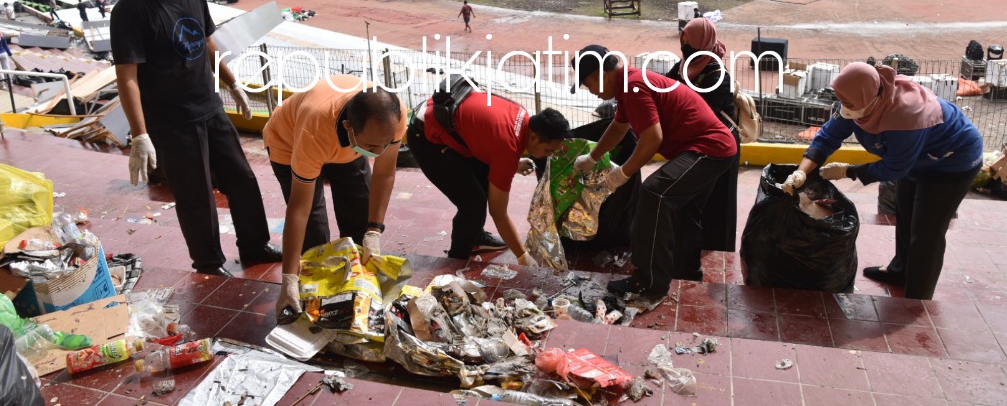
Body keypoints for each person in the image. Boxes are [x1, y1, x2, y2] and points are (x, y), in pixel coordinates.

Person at [110, 0, 281, 277]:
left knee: (243, 181)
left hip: (209, 106)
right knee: (196, 196)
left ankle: (254, 245)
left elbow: (206, 42)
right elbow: (127, 78)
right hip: (171, 121)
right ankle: (208, 262)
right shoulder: (131, 10)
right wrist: (140, 134)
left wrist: (232, 84)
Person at [781, 62, 982, 300]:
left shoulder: (905, 114)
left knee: (927, 232)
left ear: (870, 99)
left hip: (952, 161)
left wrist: (849, 171)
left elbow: (894, 167)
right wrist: (802, 171)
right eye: (840, 100)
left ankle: (917, 297)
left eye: (848, 103)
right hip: (918, 159)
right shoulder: (858, 101)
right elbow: (828, 136)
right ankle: (900, 271)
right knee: (905, 216)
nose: (844, 107)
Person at [571, 45, 737, 295]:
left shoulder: (633, 86)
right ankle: (686, 274)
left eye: (588, 84)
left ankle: (649, 280)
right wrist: (592, 158)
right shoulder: (629, 84)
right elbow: (619, 127)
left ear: (599, 75)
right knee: (684, 209)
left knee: (653, 194)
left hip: (708, 148)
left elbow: (652, 138)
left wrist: (623, 174)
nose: (591, 92)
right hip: (711, 147)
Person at [264, 76, 406, 318]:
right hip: (290, 142)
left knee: (360, 224)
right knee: (315, 237)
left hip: (347, 146)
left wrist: (374, 229)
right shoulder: (314, 127)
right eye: (372, 147)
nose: (378, 153)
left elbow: (384, 174)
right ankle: (312, 302)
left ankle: (355, 294)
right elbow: (300, 209)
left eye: (386, 144)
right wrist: (288, 278)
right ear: (349, 128)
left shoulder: (393, 114)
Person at [408, 83, 568, 264]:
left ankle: (476, 235)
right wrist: (522, 255)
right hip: (427, 137)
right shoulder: (506, 150)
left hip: (446, 118)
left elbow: (489, 139)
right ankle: (455, 261)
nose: (548, 156)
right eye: (548, 150)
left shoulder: (522, 115)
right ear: (533, 137)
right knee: (472, 204)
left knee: (484, 180)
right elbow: (499, 213)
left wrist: (512, 163)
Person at [664, 18, 741, 252]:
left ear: (703, 41)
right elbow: (665, 86)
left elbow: (698, 110)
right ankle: (690, 247)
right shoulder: (683, 65)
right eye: (683, 40)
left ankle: (717, 250)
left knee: (719, 202)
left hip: (721, 145)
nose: (684, 45)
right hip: (696, 142)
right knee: (692, 200)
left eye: (689, 41)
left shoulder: (717, 74)